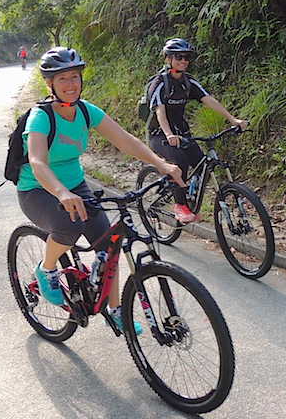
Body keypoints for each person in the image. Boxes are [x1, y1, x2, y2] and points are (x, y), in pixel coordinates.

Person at [19, 47, 183, 334]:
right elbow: (37, 162)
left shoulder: (85, 111)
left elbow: (125, 140)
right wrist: (61, 193)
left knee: (109, 246)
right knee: (68, 226)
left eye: (74, 77)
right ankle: (46, 269)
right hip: (37, 189)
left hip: (76, 186)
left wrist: (162, 164)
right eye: (62, 79)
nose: (71, 84)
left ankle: (116, 310)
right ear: (50, 84)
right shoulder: (40, 117)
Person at [148, 38, 247, 223]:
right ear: (168, 58)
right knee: (180, 163)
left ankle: (188, 196)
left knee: (203, 166)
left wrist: (233, 119)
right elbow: (160, 111)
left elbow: (209, 100)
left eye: (187, 57)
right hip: (160, 135)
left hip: (183, 134)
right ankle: (180, 205)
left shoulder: (188, 82)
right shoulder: (160, 83)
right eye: (179, 57)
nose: (184, 61)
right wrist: (169, 134)